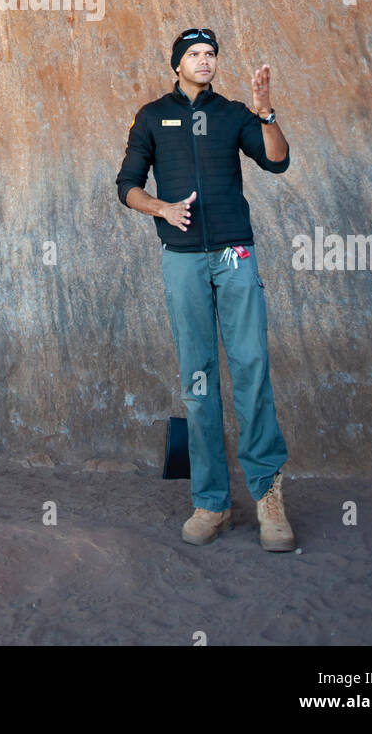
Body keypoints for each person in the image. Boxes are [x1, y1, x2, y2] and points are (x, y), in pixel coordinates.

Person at [115, 27, 295, 551]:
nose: (204, 61)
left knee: (252, 370)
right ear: (177, 64)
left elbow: (278, 160)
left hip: (235, 253)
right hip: (182, 260)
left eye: (211, 54)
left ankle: (268, 501)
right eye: (194, 54)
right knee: (198, 379)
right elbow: (126, 184)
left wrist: (265, 112)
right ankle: (211, 501)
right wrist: (164, 210)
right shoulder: (151, 116)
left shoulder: (234, 113)